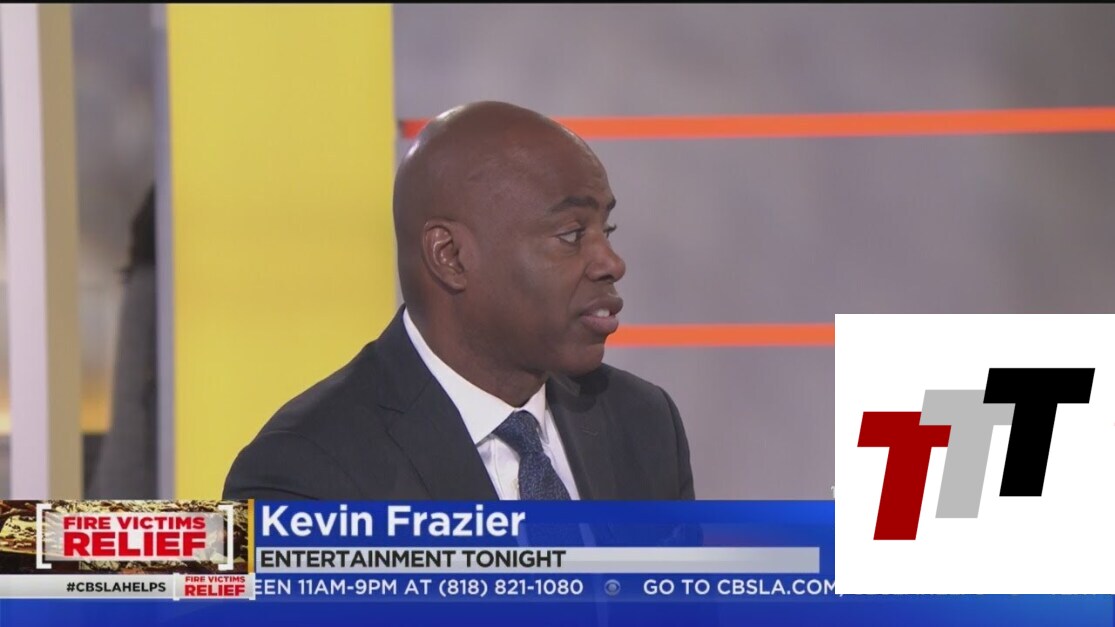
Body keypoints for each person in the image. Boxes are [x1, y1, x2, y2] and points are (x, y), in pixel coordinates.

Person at [223, 101, 694, 501]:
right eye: (571, 234)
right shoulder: (294, 469)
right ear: (449, 256)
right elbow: (188, 561)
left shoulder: (642, 422)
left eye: (606, 230)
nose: (611, 263)